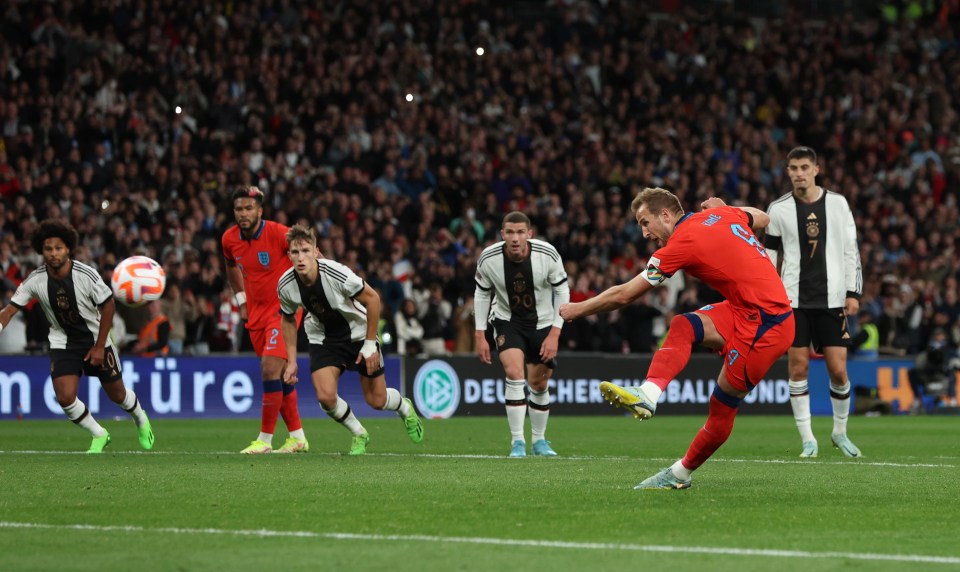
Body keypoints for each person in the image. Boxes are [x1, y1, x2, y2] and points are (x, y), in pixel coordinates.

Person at [559, 188, 794, 489]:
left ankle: (680, 473)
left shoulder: (681, 242)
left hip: (769, 325)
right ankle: (649, 394)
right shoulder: (719, 214)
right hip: (743, 309)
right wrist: (727, 206)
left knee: (722, 403)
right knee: (683, 324)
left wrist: (577, 309)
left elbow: (624, 295)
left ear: (666, 215)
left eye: (645, 223)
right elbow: (763, 217)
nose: (644, 233)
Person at [0, 219, 154, 453]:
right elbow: (8, 311)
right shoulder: (35, 280)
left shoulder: (86, 275)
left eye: (58, 248)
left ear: (68, 249)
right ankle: (99, 434)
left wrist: (101, 346)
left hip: (95, 339)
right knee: (65, 397)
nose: (53, 254)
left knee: (118, 395)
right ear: (41, 251)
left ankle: (141, 419)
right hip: (63, 343)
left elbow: (109, 305)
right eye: (48, 249)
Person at [278, 224, 424, 455]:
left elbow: (374, 299)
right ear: (289, 255)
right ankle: (359, 433)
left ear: (316, 251)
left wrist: (369, 345)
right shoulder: (285, 285)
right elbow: (287, 319)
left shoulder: (336, 273)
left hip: (358, 332)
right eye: (295, 252)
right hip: (322, 337)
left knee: (376, 400)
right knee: (325, 397)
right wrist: (292, 360)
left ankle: (404, 407)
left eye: (306, 250)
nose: (300, 257)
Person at [763, 146, 864, 458]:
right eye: (793, 168)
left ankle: (839, 432)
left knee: (838, 371)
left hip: (833, 299)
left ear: (816, 169)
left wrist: (853, 292)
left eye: (804, 167)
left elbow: (851, 249)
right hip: (792, 301)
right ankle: (808, 439)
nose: (798, 173)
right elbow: (768, 258)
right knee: (798, 367)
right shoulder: (778, 209)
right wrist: (768, 295)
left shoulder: (837, 204)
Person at [474, 211, 569, 458]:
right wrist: (479, 334)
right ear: (502, 234)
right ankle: (518, 442)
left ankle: (539, 441)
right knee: (515, 374)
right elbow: (482, 293)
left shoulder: (547, 254)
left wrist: (555, 333)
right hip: (507, 322)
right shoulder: (488, 258)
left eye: (520, 232)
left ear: (529, 234)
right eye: (510, 232)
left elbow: (562, 292)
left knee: (538, 383)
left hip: (544, 323)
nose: (515, 238)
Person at [222, 186, 307, 454]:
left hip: (283, 310)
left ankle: (264, 441)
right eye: (239, 209)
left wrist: (318, 290)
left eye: (249, 208)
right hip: (256, 313)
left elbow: (311, 253)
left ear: (260, 210)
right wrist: (241, 300)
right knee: (279, 377)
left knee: (270, 368)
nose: (243, 214)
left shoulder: (279, 233)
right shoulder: (229, 239)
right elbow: (230, 265)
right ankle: (297, 437)